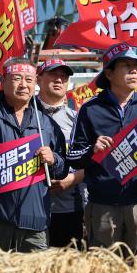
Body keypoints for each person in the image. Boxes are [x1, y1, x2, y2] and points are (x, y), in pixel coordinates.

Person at [68, 43, 137, 253]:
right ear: (108, 73)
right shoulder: (90, 109)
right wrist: (92, 150)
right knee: (103, 270)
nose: (135, 70)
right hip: (102, 206)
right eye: (126, 65)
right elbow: (73, 155)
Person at [0, 51, 67, 252]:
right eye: (16, 78)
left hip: (35, 221)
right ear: (2, 81)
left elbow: (62, 168)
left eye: (29, 79)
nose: (23, 85)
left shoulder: (46, 123)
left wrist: (54, 160)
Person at [36, 59, 86, 247]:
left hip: (68, 208)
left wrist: (71, 180)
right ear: (38, 79)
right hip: (30, 208)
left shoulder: (77, 119)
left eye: (63, 77)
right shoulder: (23, 113)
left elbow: (93, 164)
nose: (59, 80)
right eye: (53, 75)